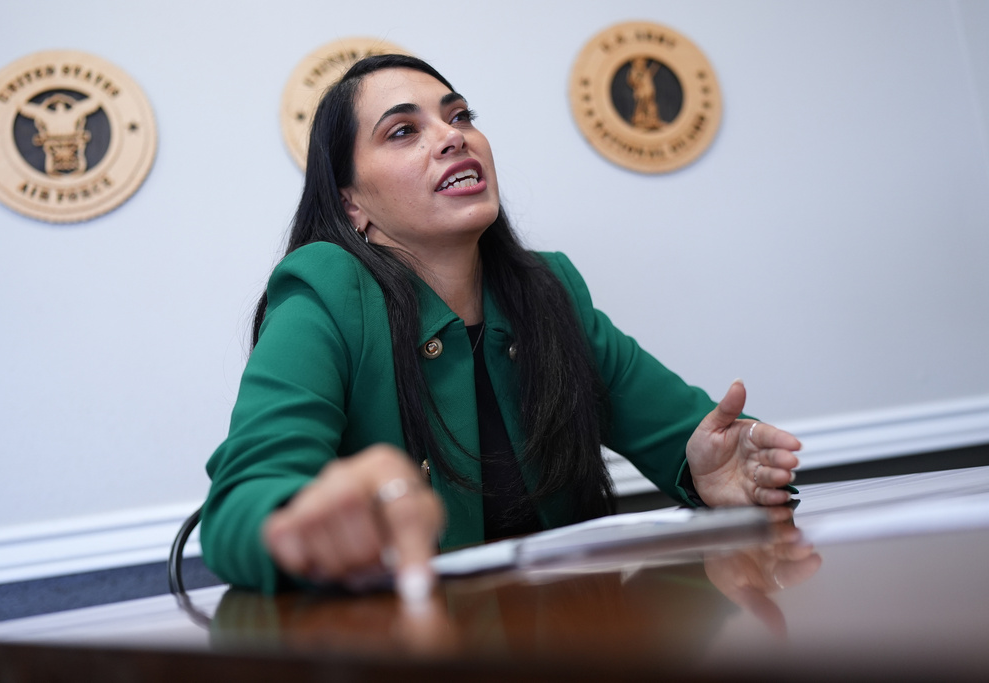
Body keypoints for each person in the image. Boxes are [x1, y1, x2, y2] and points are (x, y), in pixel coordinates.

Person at [200, 54, 801, 602]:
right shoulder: (322, 295)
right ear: (351, 202)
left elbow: (695, 442)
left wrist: (709, 471)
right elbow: (236, 516)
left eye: (459, 115)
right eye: (404, 130)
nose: (452, 136)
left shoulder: (549, 290)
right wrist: (301, 522)